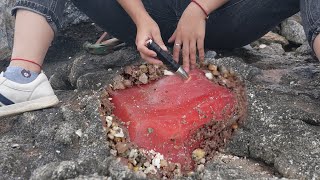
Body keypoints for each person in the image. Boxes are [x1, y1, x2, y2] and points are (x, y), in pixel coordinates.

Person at [0, 0, 319, 117]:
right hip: (149, 15)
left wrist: (200, 7)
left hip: (226, 16)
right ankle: (23, 78)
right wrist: (139, 18)